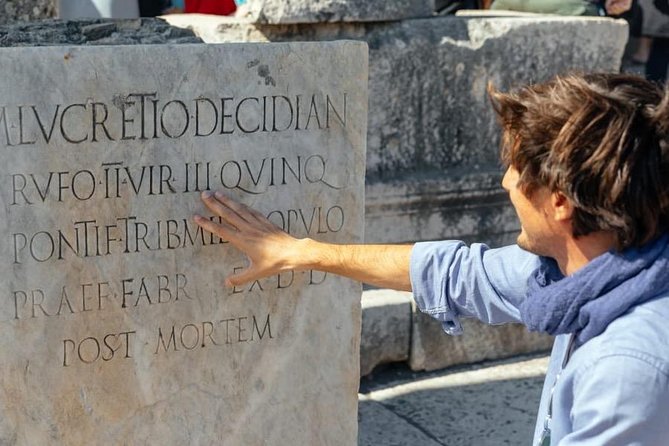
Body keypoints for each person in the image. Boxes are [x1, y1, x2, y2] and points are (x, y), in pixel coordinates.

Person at [193, 73, 669, 445]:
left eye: (515, 168)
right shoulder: (595, 266)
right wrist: (302, 251)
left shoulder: (629, 367)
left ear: (561, 202)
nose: (505, 183)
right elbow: (456, 273)